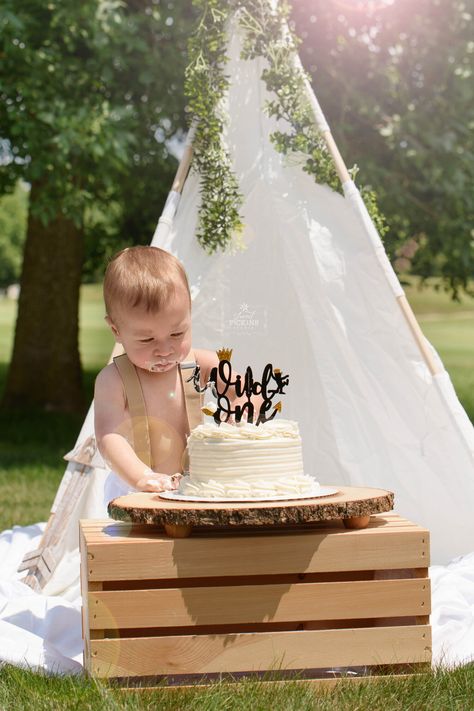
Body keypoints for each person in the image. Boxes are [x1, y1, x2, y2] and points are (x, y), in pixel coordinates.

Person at [94, 245, 257, 496]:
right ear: (116, 330)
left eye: (177, 334)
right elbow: (109, 437)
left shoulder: (202, 364)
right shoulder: (113, 380)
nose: (165, 349)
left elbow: (248, 390)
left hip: (196, 485)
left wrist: (240, 408)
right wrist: (141, 478)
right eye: (147, 340)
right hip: (134, 489)